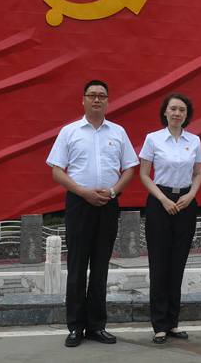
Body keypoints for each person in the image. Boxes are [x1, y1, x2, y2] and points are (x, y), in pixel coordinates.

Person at [47, 79, 139, 348]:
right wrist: (83, 192)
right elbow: (57, 171)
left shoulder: (118, 132)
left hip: (108, 203)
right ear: (83, 100)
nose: (97, 99)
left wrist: (113, 192)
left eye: (102, 96)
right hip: (79, 203)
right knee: (77, 266)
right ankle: (75, 326)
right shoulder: (69, 132)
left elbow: (130, 168)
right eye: (92, 95)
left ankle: (97, 326)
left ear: (108, 101)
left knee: (100, 266)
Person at [139, 93, 201, 344]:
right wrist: (162, 199)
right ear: (165, 112)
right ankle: (159, 325)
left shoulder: (194, 140)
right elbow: (144, 174)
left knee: (178, 263)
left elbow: (197, 173)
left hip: (186, 202)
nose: (177, 113)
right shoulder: (153, 139)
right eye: (173, 109)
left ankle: (173, 322)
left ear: (187, 114)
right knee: (159, 264)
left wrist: (191, 195)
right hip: (160, 202)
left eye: (182, 110)